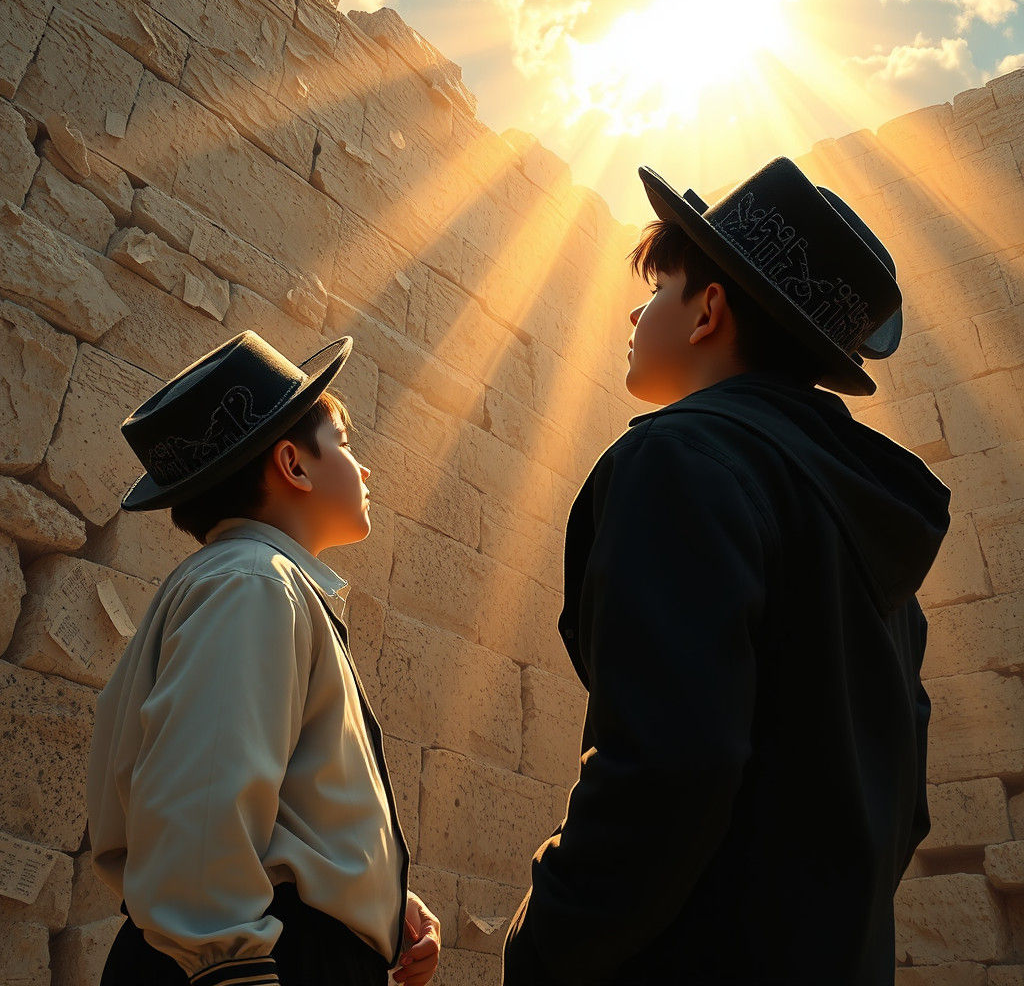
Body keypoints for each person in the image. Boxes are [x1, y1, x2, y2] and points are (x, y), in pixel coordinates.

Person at [501, 157, 952, 985]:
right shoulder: (864, 526)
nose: (634, 312)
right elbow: (901, 807)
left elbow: (667, 765)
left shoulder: (676, 458)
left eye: (656, 289)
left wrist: (544, 947)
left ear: (709, 309)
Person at [87, 330, 441, 986]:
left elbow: (270, 809)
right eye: (344, 443)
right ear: (293, 465)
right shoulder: (253, 582)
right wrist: (229, 964)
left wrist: (378, 902)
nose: (363, 468)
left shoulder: (249, 581)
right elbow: (199, 809)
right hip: (252, 963)